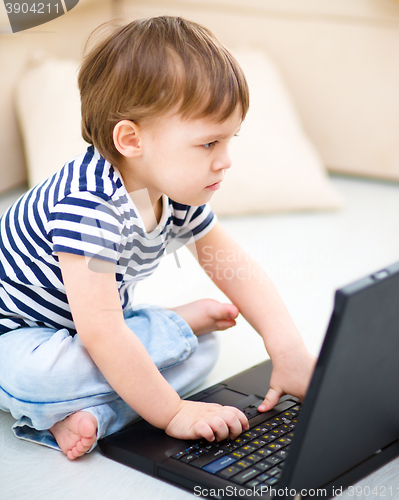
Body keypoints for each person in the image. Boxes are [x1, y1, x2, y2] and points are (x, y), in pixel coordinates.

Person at [0, 16, 316, 460]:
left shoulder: (176, 190)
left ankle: (94, 409)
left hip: (97, 326)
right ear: (131, 140)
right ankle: (133, 370)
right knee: (36, 380)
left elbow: (234, 267)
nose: (225, 161)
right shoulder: (88, 208)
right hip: (22, 335)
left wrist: (288, 349)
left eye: (230, 140)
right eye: (209, 144)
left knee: (204, 350)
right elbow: (103, 335)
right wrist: (173, 415)